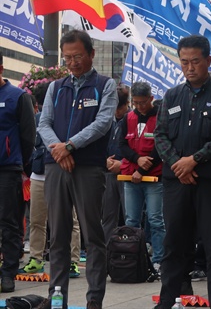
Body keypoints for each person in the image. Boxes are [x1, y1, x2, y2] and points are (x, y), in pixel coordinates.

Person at [154, 35, 211, 309]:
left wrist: (194, 160)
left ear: (208, 61)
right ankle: (167, 302)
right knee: (173, 245)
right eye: (184, 62)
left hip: (210, 183)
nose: (189, 68)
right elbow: (160, 135)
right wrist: (179, 164)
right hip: (177, 183)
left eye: (195, 62)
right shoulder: (172, 95)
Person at [36, 30, 117, 309]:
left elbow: (103, 122)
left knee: (93, 235)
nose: (72, 62)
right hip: (56, 167)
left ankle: (94, 299)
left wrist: (70, 146)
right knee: (57, 235)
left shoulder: (105, 85)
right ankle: (56, 296)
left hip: (89, 168)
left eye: (78, 56)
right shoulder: (55, 88)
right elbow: (43, 123)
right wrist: (58, 149)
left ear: (91, 54)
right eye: (67, 57)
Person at [19, 82, 82, 279]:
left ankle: (72, 261)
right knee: (37, 219)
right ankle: (36, 259)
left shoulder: (70, 118)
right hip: (38, 175)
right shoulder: (37, 119)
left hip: (65, 173)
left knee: (71, 220)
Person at [119, 81, 165, 273]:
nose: (139, 106)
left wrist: (143, 169)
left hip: (154, 177)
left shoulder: (161, 117)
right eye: (136, 102)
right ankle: (132, 257)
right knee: (131, 221)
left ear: (151, 99)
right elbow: (121, 145)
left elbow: (161, 147)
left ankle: (159, 260)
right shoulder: (128, 118)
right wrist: (137, 160)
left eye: (143, 102)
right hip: (131, 176)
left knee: (155, 220)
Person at [0, 51, 36, 293]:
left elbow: (28, 136)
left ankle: (8, 273)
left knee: (10, 223)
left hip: (8, 169)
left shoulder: (17, 96)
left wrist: (21, 164)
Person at [102, 85, 130, 243]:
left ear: (126, 104)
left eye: (120, 107)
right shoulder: (106, 120)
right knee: (108, 216)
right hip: (108, 173)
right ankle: (107, 251)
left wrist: (123, 163)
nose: (117, 111)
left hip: (127, 173)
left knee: (129, 216)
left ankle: (131, 249)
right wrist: (104, 161)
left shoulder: (133, 119)